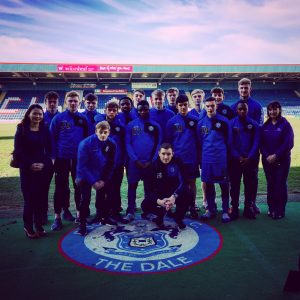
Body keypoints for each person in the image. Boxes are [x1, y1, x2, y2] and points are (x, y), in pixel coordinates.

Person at [50, 90, 88, 231]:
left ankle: (79, 215)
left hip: (78, 160)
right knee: (60, 188)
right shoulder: (58, 119)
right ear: (65, 102)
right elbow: (52, 139)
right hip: (61, 159)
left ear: (79, 102)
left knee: (79, 187)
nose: (73, 103)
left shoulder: (83, 119)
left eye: (75, 101)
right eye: (70, 101)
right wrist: (53, 158)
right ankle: (57, 217)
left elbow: (87, 140)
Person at [14, 104, 53, 238]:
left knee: (41, 199)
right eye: (35, 113)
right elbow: (18, 151)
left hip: (43, 168)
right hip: (27, 169)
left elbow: (49, 149)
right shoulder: (22, 129)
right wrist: (30, 164)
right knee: (30, 199)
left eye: (40, 114)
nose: (37, 116)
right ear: (29, 114)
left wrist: (44, 164)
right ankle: (28, 226)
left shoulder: (45, 129)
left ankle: (39, 225)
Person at [76, 121, 117, 235]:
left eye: (105, 132)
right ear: (95, 132)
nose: (103, 135)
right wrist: (93, 181)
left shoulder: (112, 144)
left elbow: (111, 164)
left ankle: (103, 217)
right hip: (85, 174)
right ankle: (82, 224)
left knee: (106, 195)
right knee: (85, 199)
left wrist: (103, 180)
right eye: (100, 132)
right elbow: (82, 165)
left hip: (101, 174)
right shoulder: (85, 144)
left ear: (109, 132)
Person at [125, 100, 162, 222]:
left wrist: (152, 160)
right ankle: (130, 211)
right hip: (134, 163)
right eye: (140, 109)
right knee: (132, 187)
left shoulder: (156, 125)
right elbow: (128, 143)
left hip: (150, 163)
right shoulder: (131, 125)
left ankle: (148, 211)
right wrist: (135, 159)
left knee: (149, 189)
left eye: (145, 109)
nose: (142, 112)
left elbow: (158, 144)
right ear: (137, 110)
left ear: (149, 109)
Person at [231, 78, 264, 214]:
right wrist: (236, 154)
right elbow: (231, 132)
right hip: (236, 155)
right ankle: (235, 206)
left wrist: (250, 155)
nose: (244, 90)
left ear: (250, 89)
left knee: (252, 181)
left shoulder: (257, 106)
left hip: (252, 154)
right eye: (242, 87)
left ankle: (251, 204)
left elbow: (259, 129)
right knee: (235, 182)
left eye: (246, 87)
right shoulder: (233, 107)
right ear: (238, 89)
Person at [141, 143, 193, 229]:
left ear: (173, 153)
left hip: (174, 194)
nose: (166, 157)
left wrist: (174, 197)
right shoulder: (152, 167)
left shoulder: (178, 163)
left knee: (189, 193)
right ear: (159, 153)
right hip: (160, 196)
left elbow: (183, 182)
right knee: (145, 205)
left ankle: (179, 218)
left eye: (168, 154)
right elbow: (148, 191)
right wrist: (159, 201)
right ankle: (159, 216)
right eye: (163, 154)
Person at [197, 96, 231, 223]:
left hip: (221, 159)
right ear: (205, 107)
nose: (210, 108)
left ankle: (225, 211)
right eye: (208, 106)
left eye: (212, 106)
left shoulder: (224, 121)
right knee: (209, 185)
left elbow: (229, 140)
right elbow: (200, 141)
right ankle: (211, 210)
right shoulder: (200, 123)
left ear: (216, 106)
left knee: (224, 186)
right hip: (207, 159)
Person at [165, 94, 200, 219]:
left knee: (191, 183)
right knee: (176, 184)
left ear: (188, 105)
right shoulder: (171, 122)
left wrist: (198, 158)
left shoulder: (195, 121)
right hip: (176, 160)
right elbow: (168, 141)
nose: (183, 107)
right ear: (177, 106)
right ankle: (176, 206)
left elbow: (199, 140)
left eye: (185, 105)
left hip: (192, 159)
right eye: (180, 105)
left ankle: (192, 206)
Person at [93, 101, 126, 222]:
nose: (111, 112)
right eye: (109, 110)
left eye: (114, 110)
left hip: (117, 164)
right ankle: (100, 213)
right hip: (102, 165)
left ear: (117, 112)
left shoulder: (121, 127)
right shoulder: (99, 126)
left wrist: (122, 161)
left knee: (115, 189)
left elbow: (124, 145)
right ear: (105, 110)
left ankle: (115, 212)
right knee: (101, 189)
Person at [261, 101, 294, 219]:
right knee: (271, 184)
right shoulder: (265, 125)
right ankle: (271, 208)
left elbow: (288, 143)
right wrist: (267, 156)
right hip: (267, 161)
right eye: (270, 109)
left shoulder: (285, 124)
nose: (272, 112)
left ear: (279, 110)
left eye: (275, 109)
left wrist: (276, 155)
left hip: (282, 160)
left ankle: (280, 210)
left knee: (279, 184)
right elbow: (262, 144)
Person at [229, 101, 260, 219]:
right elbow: (230, 143)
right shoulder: (231, 123)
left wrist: (249, 156)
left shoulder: (254, 124)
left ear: (247, 110)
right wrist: (238, 156)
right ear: (236, 110)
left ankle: (248, 208)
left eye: (244, 109)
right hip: (235, 161)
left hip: (250, 161)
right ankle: (235, 209)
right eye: (240, 109)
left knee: (249, 185)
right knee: (235, 186)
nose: (242, 111)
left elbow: (256, 142)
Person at [42, 91, 60, 224]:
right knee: (43, 187)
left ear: (58, 103)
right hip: (45, 159)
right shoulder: (39, 117)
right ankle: (42, 214)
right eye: (50, 101)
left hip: (60, 158)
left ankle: (64, 210)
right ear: (45, 103)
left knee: (62, 187)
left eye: (55, 101)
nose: (52, 104)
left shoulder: (62, 118)